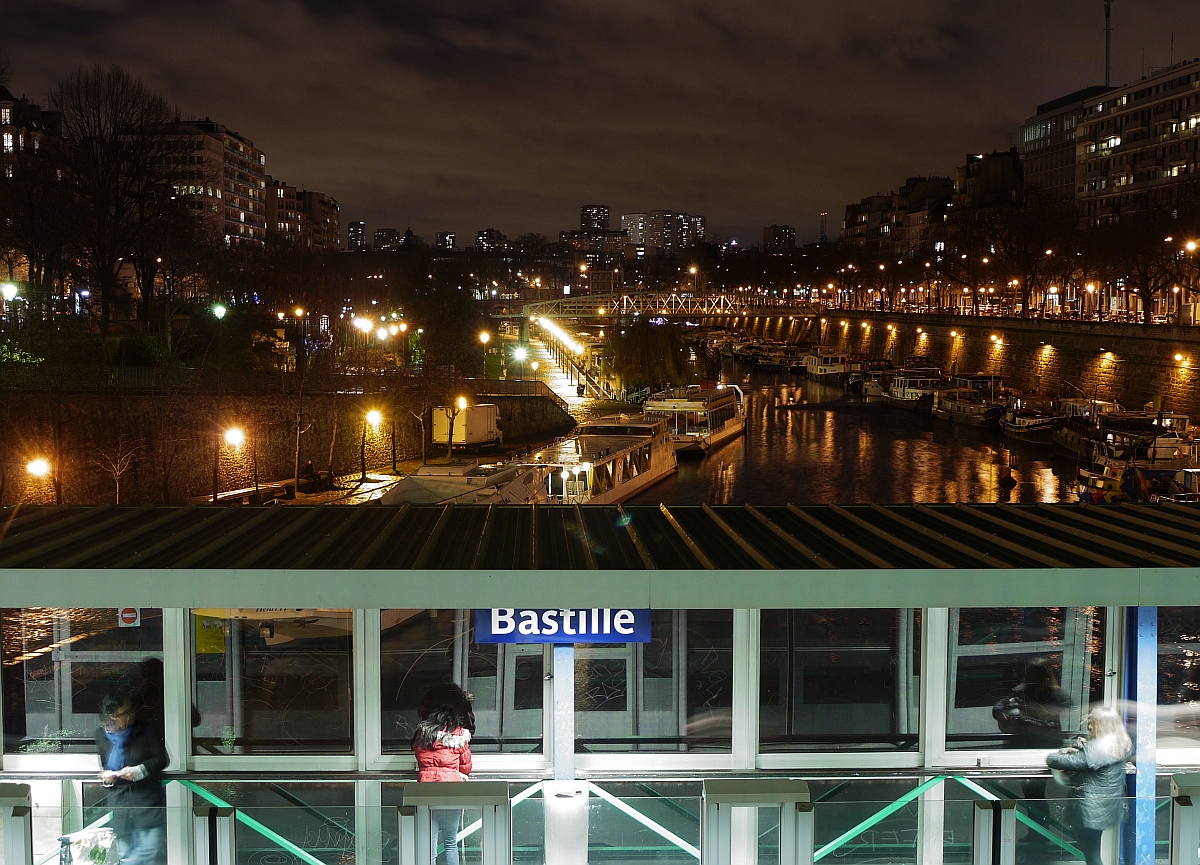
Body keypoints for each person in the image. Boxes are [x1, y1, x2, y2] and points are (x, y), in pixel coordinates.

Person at [1046, 706, 1132, 865]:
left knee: (1091, 854)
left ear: (1103, 724)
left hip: (1092, 807)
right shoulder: (1120, 742)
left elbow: (1068, 762)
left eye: (1093, 723)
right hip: (1105, 804)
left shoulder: (1099, 748)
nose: (1089, 726)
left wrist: (1051, 757)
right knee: (1092, 850)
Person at [95, 690, 170, 865]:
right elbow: (105, 765)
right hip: (120, 805)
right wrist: (107, 776)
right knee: (123, 851)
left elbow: (162, 759)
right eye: (125, 713)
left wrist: (139, 770)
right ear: (111, 717)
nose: (132, 715)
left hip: (147, 803)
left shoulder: (147, 729)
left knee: (149, 850)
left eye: (132, 710)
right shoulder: (101, 735)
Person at [413, 684, 474, 865]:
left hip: (426, 793)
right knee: (450, 843)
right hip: (451, 793)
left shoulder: (422, 735)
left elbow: (419, 757)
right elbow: (466, 767)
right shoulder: (460, 737)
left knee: (429, 845)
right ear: (453, 719)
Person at [992, 658, 1073, 749]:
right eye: (1031, 677)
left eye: (1037, 677)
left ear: (1045, 677)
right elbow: (998, 706)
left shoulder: (1056, 694)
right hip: (1020, 742)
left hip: (1046, 742)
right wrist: (1001, 714)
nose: (1033, 681)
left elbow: (1067, 709)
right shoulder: (1021, 691)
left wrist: (1033, 710)